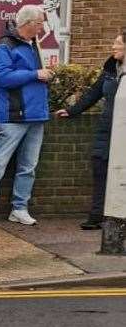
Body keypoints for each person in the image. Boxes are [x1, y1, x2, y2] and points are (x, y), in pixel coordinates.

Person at [0, 4, 53, 226]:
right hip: (13, 113)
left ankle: (20, 207)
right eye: (40, 23)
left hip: (37, 114)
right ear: (29, 24)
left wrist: (44, 76)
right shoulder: (4, 46)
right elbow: (2, 78)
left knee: (28, 166)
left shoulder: (34, 44)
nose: (42, 28)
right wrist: (35, 74)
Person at [56, 31, 124, 230]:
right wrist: (72, 111)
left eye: (118, 43)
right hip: (107, 129)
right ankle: (97, 216)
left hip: (124, 132)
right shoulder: (111, 68)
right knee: (100, 168)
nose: (113, 46)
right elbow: (94, 92)